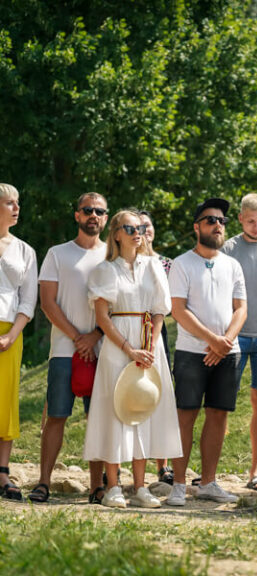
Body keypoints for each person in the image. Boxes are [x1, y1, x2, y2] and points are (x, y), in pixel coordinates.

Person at [83, 209, 183, 508]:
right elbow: (102, 317)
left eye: (140, 227)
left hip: (149, 346)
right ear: (116, 233)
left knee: (143, 407)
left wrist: (150, 347)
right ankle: (113, 486)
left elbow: (159, 311)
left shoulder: (153, 265)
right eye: (129, 228)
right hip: (118, 346)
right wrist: (128, 349)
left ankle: (140, 487)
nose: (137, 232)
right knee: (117, 409)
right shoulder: (105, 270)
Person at [29, 193, 109, 504]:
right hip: (64, 350)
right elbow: (47, 303)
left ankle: (96, 487)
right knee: (57, 416)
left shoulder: (112, 256)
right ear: (77, 215)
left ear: (105, 217)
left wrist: (96, 336)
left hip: (103, 351)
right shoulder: (57, 254)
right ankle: (44, 482)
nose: (93, 215)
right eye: (87, 210)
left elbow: (120, 303)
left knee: (97, 419)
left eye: (99, 211)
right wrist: (79, 337)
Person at [166, 198, 247, 506]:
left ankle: (209, 483)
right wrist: (213, 340)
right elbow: (179, 310)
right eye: (211, 219)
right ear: (197, 227)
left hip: (228, 352)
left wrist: (224, 341)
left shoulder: (233, 264)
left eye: (222, 221)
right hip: (191, 352)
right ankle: (177, 484)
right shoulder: (182, 263)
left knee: (218, 416)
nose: (218, 225)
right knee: (185, 416)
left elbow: (241, 309)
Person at [221, 193, 257, 491]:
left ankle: (256, 470)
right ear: (240, 219)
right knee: (221, 402)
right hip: (234, 333)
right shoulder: (229, 248)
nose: (256, 226)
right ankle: (210, 471)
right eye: (250, 221)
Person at [0, 184, 37, 501]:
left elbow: (28, 300)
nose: (16, 207)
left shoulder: (25, 251)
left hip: (10, 334)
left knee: (6, 400)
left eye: (18, 202)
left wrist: (12, 334)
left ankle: (3, 473)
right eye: (9, 202)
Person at [138, 209, 174, 485]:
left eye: (147, 225)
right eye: (137, 226)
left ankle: (162, 465)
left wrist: (153, 335)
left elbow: (168, 304)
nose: (143, 230)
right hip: (127, 333)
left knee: (158, 396)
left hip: (157, 336)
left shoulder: (166, 264)